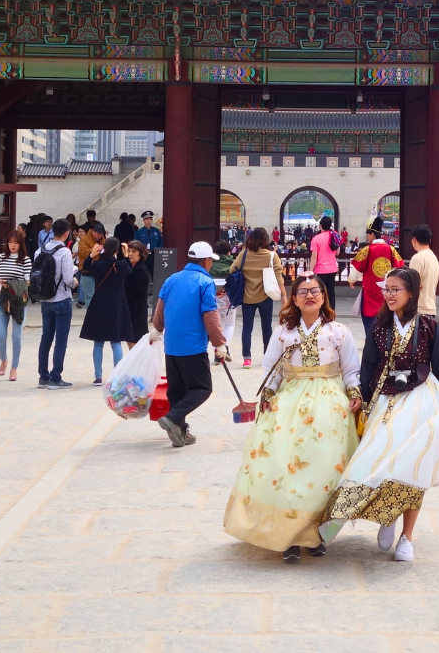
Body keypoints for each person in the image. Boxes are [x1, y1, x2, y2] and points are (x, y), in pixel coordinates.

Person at [325, 266, 439, 564]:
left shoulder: (429, 327)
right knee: (375, 460)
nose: (388, 294)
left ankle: (407, 536)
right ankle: (386, 515)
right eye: (386, 289)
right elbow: (367, 368)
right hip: (385, 403)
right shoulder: (378, 327)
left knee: (415, 466)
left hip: (420, 402)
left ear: (411, 293)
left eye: (394, 289)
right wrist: (358, 397)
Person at [222, 274, 361, 561]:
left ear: (324, 296)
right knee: (282, 465)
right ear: (294, 299)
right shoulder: (284, 333)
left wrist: (354, 393)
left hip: (330, 405)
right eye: (302, 292)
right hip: (289, 401)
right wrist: (268, 395)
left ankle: (315, 534)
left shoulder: (338, 333)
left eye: (315, 291)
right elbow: (271, 368)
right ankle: (284, 535)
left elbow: (351, 370)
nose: (309, 296)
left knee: (323, 470)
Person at [151, 241, 230, 446]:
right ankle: (173, 418)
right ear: (205, 261)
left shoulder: (172, 279)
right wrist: (219, 343)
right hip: (192, 345)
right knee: (202, 388)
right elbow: (210, 315)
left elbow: (160, 307)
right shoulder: (204, 282)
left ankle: (181, 432)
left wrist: (157, 328)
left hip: (172, 345)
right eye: (210, 260)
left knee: (176, 391)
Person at [78, 233, 132, 385]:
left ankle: (98, 376)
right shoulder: (121, 265)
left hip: (99, 303)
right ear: (117, 250)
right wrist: (126, 255)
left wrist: (91, 254)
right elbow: (129, 270)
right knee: (116, 342)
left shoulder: (98, 265)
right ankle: (118, 375)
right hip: (116, 304)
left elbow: (86, 267)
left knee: (98, 342)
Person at [0, 228, 32, 380]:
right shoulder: (1, 258)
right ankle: (3, 359)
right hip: (2, 299)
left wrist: (11, 284)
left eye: (16, 243)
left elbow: (27, 281)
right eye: (10, 242)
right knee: (1, 334)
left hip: (19, 300)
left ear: (20, 244)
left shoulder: (25, 260)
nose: (13, 245)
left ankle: (14, 367)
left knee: (16, 336)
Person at [34, 217, 79, 389]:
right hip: (62, 299)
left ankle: (43, 377)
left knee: (46, 338)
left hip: (45, 299)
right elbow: (68, 279)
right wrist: (74, 280)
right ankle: (55, 377)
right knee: (61, 340)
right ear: (67, 233)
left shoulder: (40, 250)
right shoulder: (64, 252)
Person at [230, 227, 279, 365]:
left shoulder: (244, 254)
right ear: (265, 240)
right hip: (265, 296)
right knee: (266, 327)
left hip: (247, 296)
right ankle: (267, 356)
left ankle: (247, 358)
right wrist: (285, 295)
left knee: (247, 328)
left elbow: (232, 269)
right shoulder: (271, 255)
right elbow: (279, 275)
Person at [350, 218, 401, 337]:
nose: (367, 237)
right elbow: (399, 267)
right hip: (386, 292)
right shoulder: (391, 249)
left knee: (369, 323)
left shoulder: (367, 250)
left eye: (368, 235)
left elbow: (357, 269)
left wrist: (352, 280)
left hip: (369, 292)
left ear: (372, 234)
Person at [307, 215, 341, 313]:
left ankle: (321, 311)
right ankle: (331, 311)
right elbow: (337, 253)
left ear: (320, 225)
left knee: (320, 292)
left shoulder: (316, 238)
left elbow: (314, 257)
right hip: (332, 268)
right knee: (331, 292)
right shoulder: (335, 235)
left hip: (321, 270)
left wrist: (310, 270)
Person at [405, 225, 439, 317]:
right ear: (429, 240)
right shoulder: (433, 257)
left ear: (414, 240)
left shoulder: (417, 258)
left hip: (419, 308)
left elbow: (413, 284)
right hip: (431, 307)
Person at [122, 240, 152, 346]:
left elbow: (130, 290)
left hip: (137, 311)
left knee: (135, 342)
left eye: (133, 251)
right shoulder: (133, 267)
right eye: (129, 251)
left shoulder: (140, 270)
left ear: (140, 253)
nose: (130, 254)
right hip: (131, 310)